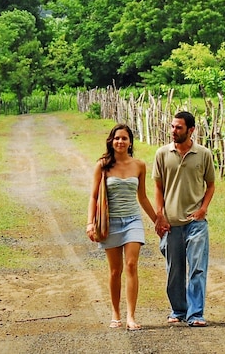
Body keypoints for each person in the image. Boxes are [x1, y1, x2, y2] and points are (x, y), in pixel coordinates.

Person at [86, 123, 159, 331]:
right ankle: (116, 313)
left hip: (133, 221)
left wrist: (157, 221)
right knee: (115, 270)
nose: (120, 141)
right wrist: (90, 223)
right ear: (111, 141)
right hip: (110, 223)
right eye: (117, 138)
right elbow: (93, 197)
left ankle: (131, 316)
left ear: (130, 142)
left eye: (124, 138)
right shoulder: (103, 165)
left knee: (132, 265)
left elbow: (142, 197)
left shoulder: (139, 165)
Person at [153, 111, 216, 327]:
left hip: (195, 223)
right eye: (172, 126)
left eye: (178, 127)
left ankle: (196, 314)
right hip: (171, 223)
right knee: (174, 270)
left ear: (191, 130)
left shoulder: (203, 154)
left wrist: (203, 209)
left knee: (197, 267)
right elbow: (158, 187)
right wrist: (159, 215)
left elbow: (211, 185)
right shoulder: (162, 154)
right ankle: (179, 310)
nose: (173, 131)